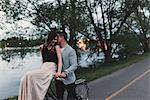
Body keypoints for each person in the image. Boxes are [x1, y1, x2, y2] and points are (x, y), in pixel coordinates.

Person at [18, 30, 62, 100]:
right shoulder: (42, 47)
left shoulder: (56, 47)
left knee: (29, 75)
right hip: (44, 67)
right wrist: (41, 69)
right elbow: (43, 60)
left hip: (51, 68)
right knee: (24, 79)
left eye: (56, 39)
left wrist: (58, 72)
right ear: (50, 38)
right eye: (54, 39)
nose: (55, 41)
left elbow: (60, 60)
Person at [55, 31, 78, 100]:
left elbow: (74, 65)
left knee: (71, 98)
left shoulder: (70, 50)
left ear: (62, 37)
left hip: (69, 79)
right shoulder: (56, 49)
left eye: (57, 37)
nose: (56, 39)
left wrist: (65, 72)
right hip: (59, 79)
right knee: (59, 98)